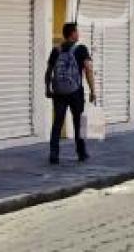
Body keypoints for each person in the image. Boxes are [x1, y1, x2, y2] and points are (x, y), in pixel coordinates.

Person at [45, 22, 96, 165]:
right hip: (76, 92)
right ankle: (82, 153)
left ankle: (53, 155)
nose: (78, 34)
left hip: (59, 92)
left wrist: (47, 88)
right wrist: (93, 90)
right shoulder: (81, 49)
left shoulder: (56, 50)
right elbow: (89, 69)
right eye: (77, 31)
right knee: (79, 123)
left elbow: (49, 71)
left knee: (57, 123)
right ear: (72, 33)